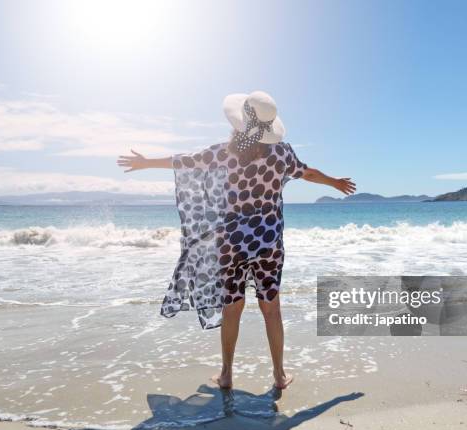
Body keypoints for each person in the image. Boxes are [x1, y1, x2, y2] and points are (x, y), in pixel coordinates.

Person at [117, 91, 355, 389]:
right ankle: (279, 375)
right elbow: (308, 174)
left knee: (232, 306)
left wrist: (146, 163)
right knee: (271, 307)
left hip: (230, 244)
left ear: (238, 122)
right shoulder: (282, 154)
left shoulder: (223, 153)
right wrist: (335, 182)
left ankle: (227, 374)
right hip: (268, 243)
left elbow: (185, 161)